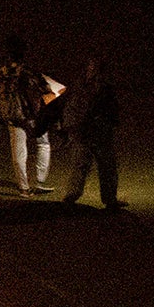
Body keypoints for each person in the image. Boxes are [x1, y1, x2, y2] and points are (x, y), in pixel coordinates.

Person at [0, 34, 63, 197]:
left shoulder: (1, 73)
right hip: (32, 116)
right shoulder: (28, 71)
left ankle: (23, 187)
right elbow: (47, 91)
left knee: (18, 151)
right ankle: (39, 181)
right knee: (43, 144)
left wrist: (5, 110)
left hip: (13, 117)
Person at [61, 59, 123, 210]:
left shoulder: (80, 86)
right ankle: (109, 199)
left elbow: (71, 106)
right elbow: (111, 109)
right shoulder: (104, 88)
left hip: (81, 130)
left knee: (80, 164)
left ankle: (71, 196)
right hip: (98, 131)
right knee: (106, 165)